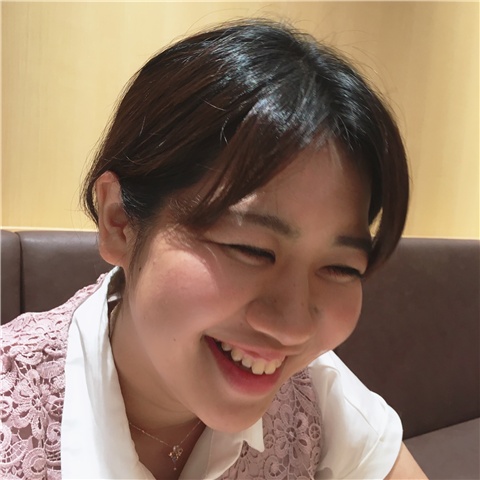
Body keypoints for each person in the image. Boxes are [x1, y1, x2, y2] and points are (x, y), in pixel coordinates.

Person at [1, 19, 427, 480]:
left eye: (341, 267)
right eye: (250, 249)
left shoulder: (316, 390)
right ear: (119, 221)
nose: (293, 328)